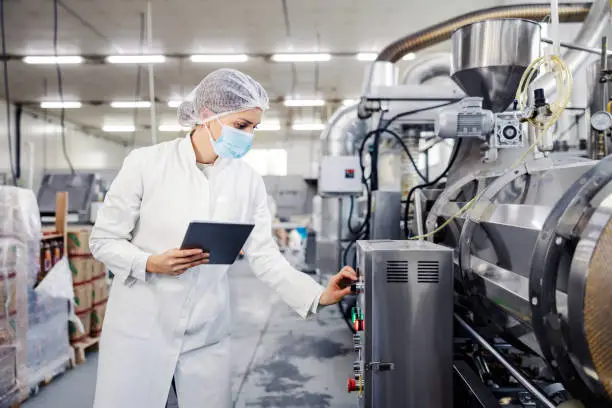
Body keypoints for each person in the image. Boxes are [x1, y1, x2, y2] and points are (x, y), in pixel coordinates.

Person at [89, 68, 357, 408]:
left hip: (206, 333)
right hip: (140, 328)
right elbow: (103, 240)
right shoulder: (146, 164)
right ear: (207, 116)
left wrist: (318, 294)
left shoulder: (248, 181)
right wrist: (149, 262)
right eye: (241, 126)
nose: (248, 136)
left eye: (253, 128)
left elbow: (266, 257)